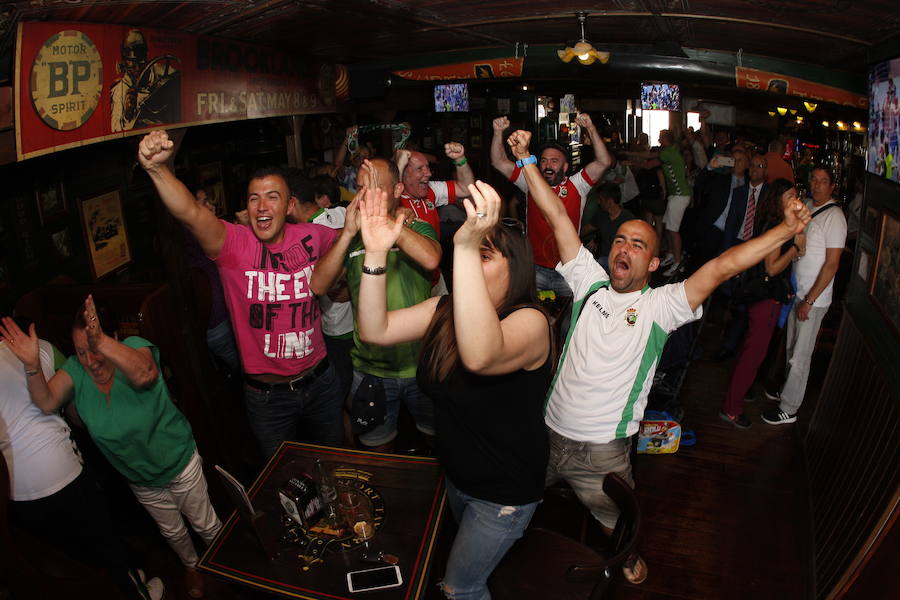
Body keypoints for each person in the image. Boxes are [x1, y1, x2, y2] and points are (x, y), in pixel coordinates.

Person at [506, 128, 811, 584]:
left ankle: (626, 557)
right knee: (515, 500)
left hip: (602, 452)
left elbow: (722, 266)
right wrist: (526, 160)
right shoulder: (589, 281)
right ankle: (506, 537)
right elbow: (556, 216)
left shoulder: (660, 306)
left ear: (652, 264)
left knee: (617, 520)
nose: (624, 247)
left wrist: (787, 229)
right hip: (548, 431)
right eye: (621, 240)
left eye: (638, 244)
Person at [354, 181, 553, 600]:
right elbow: (374, 328)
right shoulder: (443, 311)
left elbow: (480, 355)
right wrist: (375, 252)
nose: (468, 264)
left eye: (484, 255)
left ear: (514, 267)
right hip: (458, 477)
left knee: (460, 588)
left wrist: (464, 245)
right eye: (469, 255)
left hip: (505, 492)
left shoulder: (531, 322)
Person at [138, 130, 342, 458]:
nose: (262, 206)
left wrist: (340, 284)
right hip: (268, 397)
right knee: (281, 479)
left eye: (272, 197)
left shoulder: (314, 236)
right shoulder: (232, 243)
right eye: (253, 198)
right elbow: (190, 211)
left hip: (322, 382)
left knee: (336, 461)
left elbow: (341, 250)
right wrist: (157, 169)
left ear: (290, 205)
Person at [0, 298, 220, 598]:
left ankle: (226, 565)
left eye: (94, 350)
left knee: (206, 524)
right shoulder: (77, 370)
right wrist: (31, 366)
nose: (89, 361)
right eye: (80, 352)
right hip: (140, 479)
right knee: (173, 532)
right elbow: (47, 402)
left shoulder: (135, 346)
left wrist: (98, 340)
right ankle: (192, 566)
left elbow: (145, 373)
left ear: (113, 338)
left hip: (179, 465)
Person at [0, 316, 165, 600]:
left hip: (15, 491)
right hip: (61, 471)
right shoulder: (42, 348)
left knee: (70, 557)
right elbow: (77, 406)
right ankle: (136, 592)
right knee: (104, 540)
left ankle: (116, 579)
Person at [311, 158, 441, 450]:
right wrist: (346, 233)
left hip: (421, 366)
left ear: (396, 190)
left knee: (437, 445)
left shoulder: (416, 226)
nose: (364, 197)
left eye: (374, 189)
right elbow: (318, 285)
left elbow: (431, 259)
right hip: (371, 371)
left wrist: (385, 221)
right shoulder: (353, 239)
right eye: (359, 189)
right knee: (376, 451)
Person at [490, 113, 612, 297]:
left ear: (565, 167)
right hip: (535, 269)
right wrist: (498, 132)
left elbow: (604, 162)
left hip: (568, 269)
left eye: (554, 161)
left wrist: (591, 129)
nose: (548, 165)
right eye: (544, 161)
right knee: (535, 318)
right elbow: (499, 162)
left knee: (570, 322)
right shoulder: (530, 182)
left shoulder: (577, 185)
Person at [763, 167, 846, 425]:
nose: (817, 184)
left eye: (823, 181)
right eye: (814, 179)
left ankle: (790, 407)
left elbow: (832, 265)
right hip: (797, 290)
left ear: (832, 186)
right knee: (790, 347)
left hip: (813, 299)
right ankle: (787, 389)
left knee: (800, 355)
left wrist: (810, 300)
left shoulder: (836, 218)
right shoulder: (808, 205)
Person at [719, 180, 806, 428]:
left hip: (764, 296)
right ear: (778, 200)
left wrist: (798, 238)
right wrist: (794, 249)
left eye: (796, 195)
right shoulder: (777, 227)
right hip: (766, 297)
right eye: (790, 196)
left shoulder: (780, 223)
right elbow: (772, 267)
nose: (795, 199)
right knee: (754, 354)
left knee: (751, 348)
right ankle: (731, 409)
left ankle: (738, 391)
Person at [184, 186, 240, 371]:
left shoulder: (199, 234)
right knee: (249, 372)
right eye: (204, 203)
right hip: (219, 323)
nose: (212, 206)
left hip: (223, 319)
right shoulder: (195, 236)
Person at [626, 129, 692, 276]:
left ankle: (677, 262)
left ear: (666, 139)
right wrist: (630, 154)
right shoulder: (670, 150)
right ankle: (670, 254)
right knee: (669, 227)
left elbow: (649, 163)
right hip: (676, 195)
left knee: (673, 231)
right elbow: (649, 155)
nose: (658, 139)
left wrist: (629, 160)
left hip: (680, 195)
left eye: (660, 137)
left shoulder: (669, 152)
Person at [110, 29, 180, 132]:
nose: (138, 69)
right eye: (133, 64)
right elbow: (116, 129)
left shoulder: (162, 71)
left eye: (141, 62)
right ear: (125, 62)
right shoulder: (118, 92)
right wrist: (128, 114)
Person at [581, 182, 636, 270]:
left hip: (622, 260)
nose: (598, 202)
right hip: (605, 259)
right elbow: (586, 229)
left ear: (609, 202)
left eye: (600, 199)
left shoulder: (629, 220)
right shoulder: (601, 215)